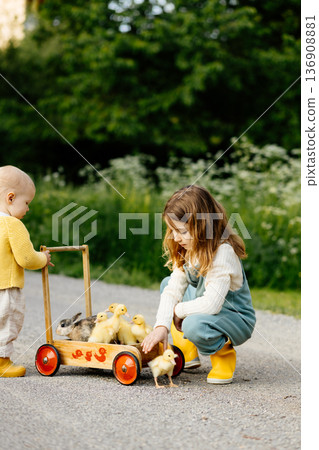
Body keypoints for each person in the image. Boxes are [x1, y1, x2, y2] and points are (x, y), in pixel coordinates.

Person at [142, 185, 256, 384]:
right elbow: (173, 290)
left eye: (182, 231)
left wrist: (178, 311)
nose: (176, 237)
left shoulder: (223, 253)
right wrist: (161, 326)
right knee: (168, 283)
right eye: (172, 230)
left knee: (193, 324)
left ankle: (223, 356)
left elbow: (212, 304)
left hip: (235, 317)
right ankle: (187, 350)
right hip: (210, 310)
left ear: (203, 226)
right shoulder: (188, 248)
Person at [0, 165, 53, 377]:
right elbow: (26, 258)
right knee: (8, 322)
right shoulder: (12, 225)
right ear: (10, 198)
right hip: (6, 287)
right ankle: (2, 362)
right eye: (27, 203)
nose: (28, 209)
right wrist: (43, 259)